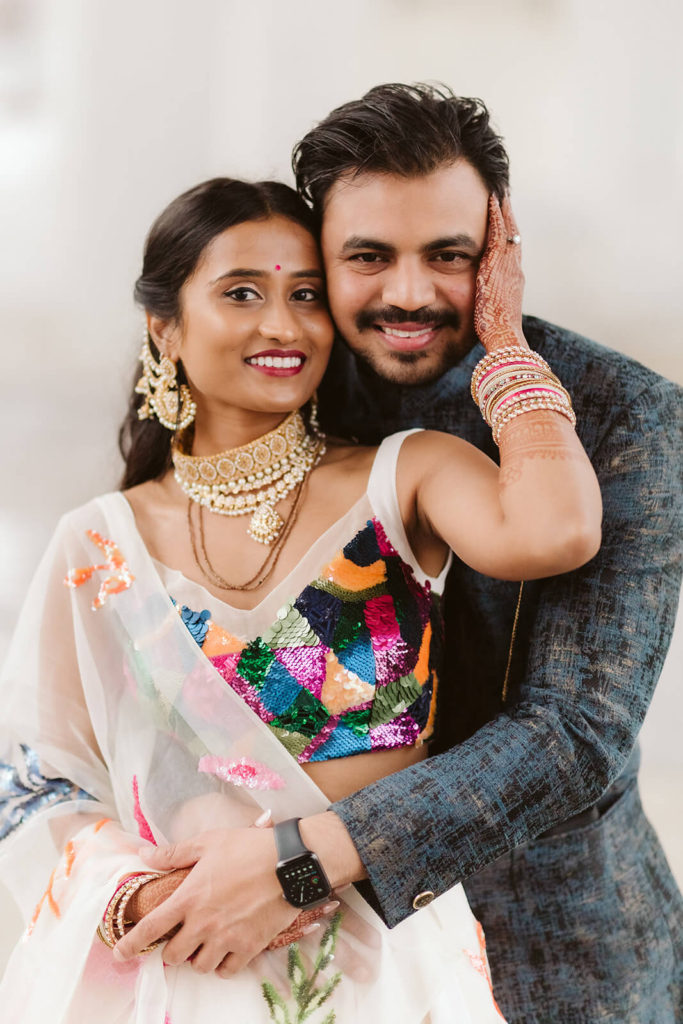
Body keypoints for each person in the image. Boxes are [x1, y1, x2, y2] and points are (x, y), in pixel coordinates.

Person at [0, 175, 601, 1022]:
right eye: (242, 293)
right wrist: (132, 903)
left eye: (306, 295)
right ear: (163, 326)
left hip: (381, 966)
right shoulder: (101, 545)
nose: (282, 325)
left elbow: (555, 531)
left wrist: (502, 340)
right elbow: (38, 777)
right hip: (187, 963)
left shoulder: (404, 477)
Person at [287, 83, 682, 1022]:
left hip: (560, 951)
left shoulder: (629, 413)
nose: (410, 293)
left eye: (449, 256)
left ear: (499, 255)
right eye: (369, 257)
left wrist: (297, 861)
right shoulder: (282, 398)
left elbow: (577, 735)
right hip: (319, 959)